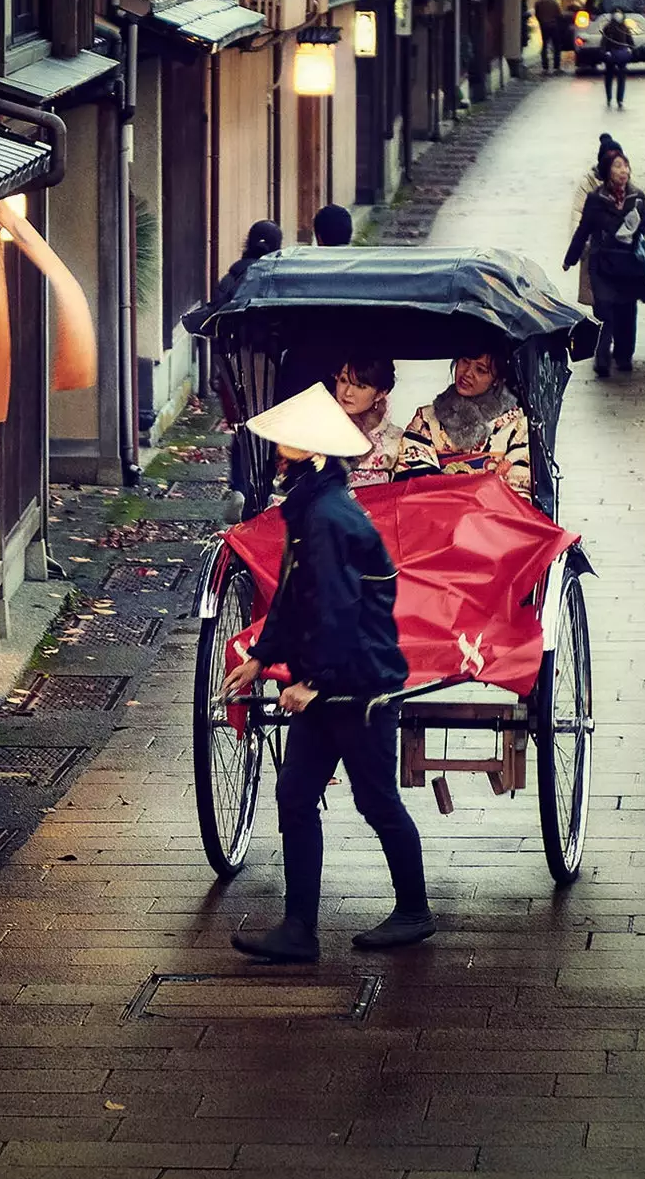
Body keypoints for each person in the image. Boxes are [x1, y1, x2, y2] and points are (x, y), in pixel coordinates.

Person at [221, 382, 433, 964]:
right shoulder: (312, 508)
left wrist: (313, 682)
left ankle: (414, 909)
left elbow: (338, 607)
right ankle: (298, 928)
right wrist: (263, 657)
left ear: (310, 454)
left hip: (359, 684)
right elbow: (294, 596)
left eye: (288, 443)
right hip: (331, 683)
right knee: (294, 793)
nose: (279, 451)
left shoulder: (327, 516)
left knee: (376, 800)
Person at [183, 220, 283, 518]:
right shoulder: (279, 278)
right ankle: (263, 490)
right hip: (269, 366)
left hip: (234, 368)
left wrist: (218, 369)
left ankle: (240, 486)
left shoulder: (232, 278)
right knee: (269, 429)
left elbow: (214, 318)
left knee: (243, 431)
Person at [396, 346, 531, 496]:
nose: (467, 373)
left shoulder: (516, 424)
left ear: (497, 379)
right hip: (436, 510)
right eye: (465, 362)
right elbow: (414, 478)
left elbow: (518, 490)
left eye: (480, 370)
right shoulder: (426, 418)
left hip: (492, 513)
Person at [563, 148, 645, 377]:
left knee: (626, 311)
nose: (624, 171)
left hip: (629, 264)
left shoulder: (638, 197)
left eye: (626, 166)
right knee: (604, 311)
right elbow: (583, 230)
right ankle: (602, 358)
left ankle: (624, 356)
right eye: (618, 166)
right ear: (607, 171)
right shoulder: (595, 199)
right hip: (602, 264)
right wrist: (570, 259)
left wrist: (638, 230)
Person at [570, 133, 633, 310]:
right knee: (601, 307)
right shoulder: (589, 184)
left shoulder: (627, 185)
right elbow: (578, 216)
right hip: (597, 256)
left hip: (622, 257)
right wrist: (581, 249)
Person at [334, 357, 402, 487]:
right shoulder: (314, 424)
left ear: (380, 394)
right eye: (343, 381)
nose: (347, 392)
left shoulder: (396, 441)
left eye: (360, 386)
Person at [600, 7, 635, 109]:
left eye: (619, 13)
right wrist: (604, 52)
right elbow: (604, 42)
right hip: (611, 54)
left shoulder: (625, 28)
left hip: (621, 55)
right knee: (610, 77)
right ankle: (609, 97)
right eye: (616, 13)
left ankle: (619, 99)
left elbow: (630, 41)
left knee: (620, 78)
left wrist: (632, 49)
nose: (617, 15)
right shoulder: (608, 28)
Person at [534, 0, 562, 73]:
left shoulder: (538, 2)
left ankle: (545, 66)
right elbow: (559, 13)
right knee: (556, 45)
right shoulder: (553, 1)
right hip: (553, 25)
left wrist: (541, 21)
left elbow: (537, 14)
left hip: (544, 26)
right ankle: (556, 66)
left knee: (544, 45)